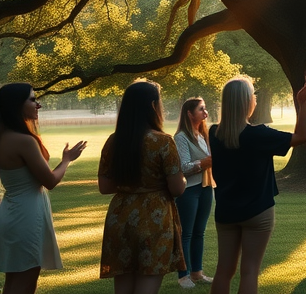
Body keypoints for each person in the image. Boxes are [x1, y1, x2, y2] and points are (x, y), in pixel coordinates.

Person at [209, 76, 306, 294]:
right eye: (253, 95)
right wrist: (303, 103)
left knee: (223, 271)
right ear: (247, 102)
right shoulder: (259, 134)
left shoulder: (214, 133)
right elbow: (302, 136)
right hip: (258, 210)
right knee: (250, 271)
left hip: (226, 210)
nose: (255, 99)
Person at [98, 80, 187, 294]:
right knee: (147, 284)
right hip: (154, 217)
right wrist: (181, 180)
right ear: (153, 106)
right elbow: (177, 188)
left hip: (120, 217)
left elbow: (105, 186)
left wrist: (130, 182)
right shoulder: (162, 141)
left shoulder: (114, 141)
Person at [0, 83, 86, 294]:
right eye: (32, 99)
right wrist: (67, 160)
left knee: (13, 282)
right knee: (24, 283)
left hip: (11, 210)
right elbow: (50, 181)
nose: (38, 105)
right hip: (27, 215)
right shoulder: (24, 141)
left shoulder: (4, 137)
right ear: (16, 105)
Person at [173, 97, 215, 288]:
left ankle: (197, 273)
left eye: (205, 108)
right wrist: (203, 163)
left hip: (206, 188)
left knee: (200, 232)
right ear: (189, 114)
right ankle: (184, 275)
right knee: (186, 233)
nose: (205, 112)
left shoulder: (203, 134)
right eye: (201, 109)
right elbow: (183, 167)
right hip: (189, 190)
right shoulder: (181, 137)